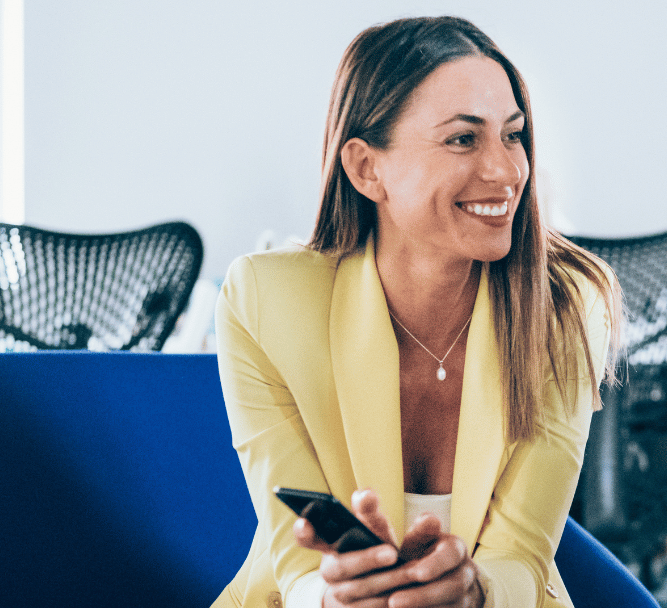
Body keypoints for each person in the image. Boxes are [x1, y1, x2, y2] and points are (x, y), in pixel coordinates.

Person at [211, 15, 622, 608]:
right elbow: (296, 556)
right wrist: (338, 596)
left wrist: (472, 593)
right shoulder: (264, 301)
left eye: (513, 134)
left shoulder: (563, 306)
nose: (508, 171)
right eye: (463, 138)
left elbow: (523, 551)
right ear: (366, 169)